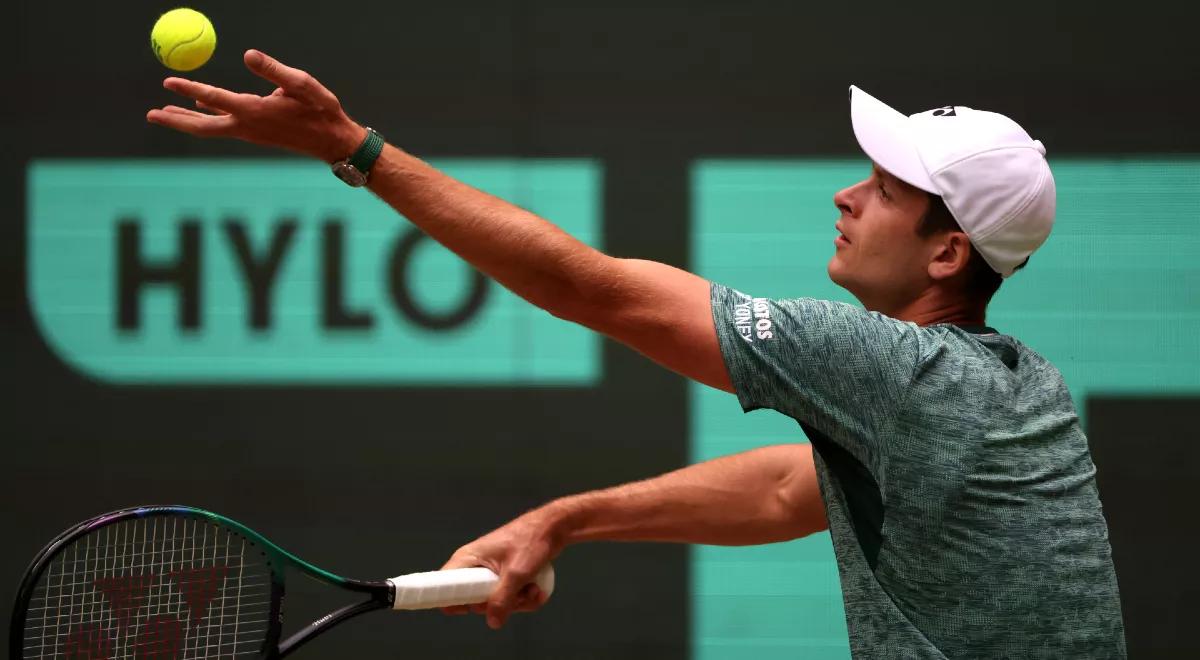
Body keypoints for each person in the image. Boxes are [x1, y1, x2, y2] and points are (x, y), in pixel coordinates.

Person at [147, 50, 1127, 658]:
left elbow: (592, 288)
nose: (847, 197)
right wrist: (567, 519)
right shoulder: (1018, 382)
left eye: (882, 188)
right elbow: (792, 492)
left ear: (949, 251)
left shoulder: (894, 366)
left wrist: (354, 149)